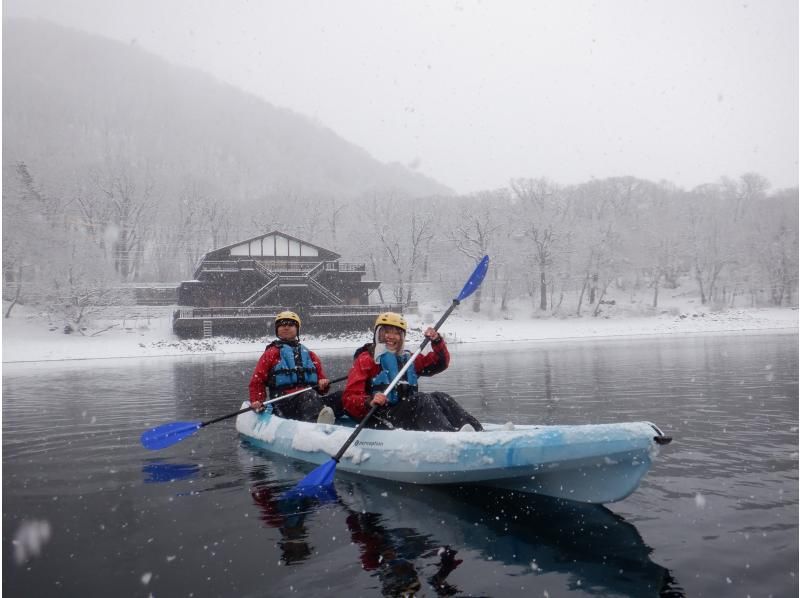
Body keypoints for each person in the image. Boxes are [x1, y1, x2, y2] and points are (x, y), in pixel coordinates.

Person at [342, 312, 482, 431]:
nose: (391, 336)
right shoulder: (366, 359)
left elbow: (440, 363)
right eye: (386, 331)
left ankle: (478, 431)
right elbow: (349, 398)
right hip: (380, 417)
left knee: (440, 397)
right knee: (421, 400)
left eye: (397, 333)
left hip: (405, 414)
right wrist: (369, 401)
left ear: (402, 337)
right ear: (378, 333)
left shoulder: (409, 359)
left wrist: (437, 341)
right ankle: (447, 437)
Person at [248, 310, 333, 423]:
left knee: (340, 396)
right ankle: (316, 427)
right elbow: (257, 381)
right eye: (282, 324)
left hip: (311, 399)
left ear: (297, 329)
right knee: (308, 395)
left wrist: (323, 384)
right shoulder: (271, 354)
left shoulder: (309, 354)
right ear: (277, 329)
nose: (286, 327)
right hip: (283, 403)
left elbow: (321, 386)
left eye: (290, 324)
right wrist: (257, 401)